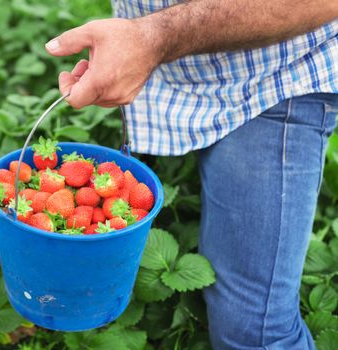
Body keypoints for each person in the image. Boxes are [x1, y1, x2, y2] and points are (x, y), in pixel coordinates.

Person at [44, 1, 338, 349]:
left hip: (272, 76)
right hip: (157, 64)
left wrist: (153, 36)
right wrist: (138, 41)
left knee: (253, 332)